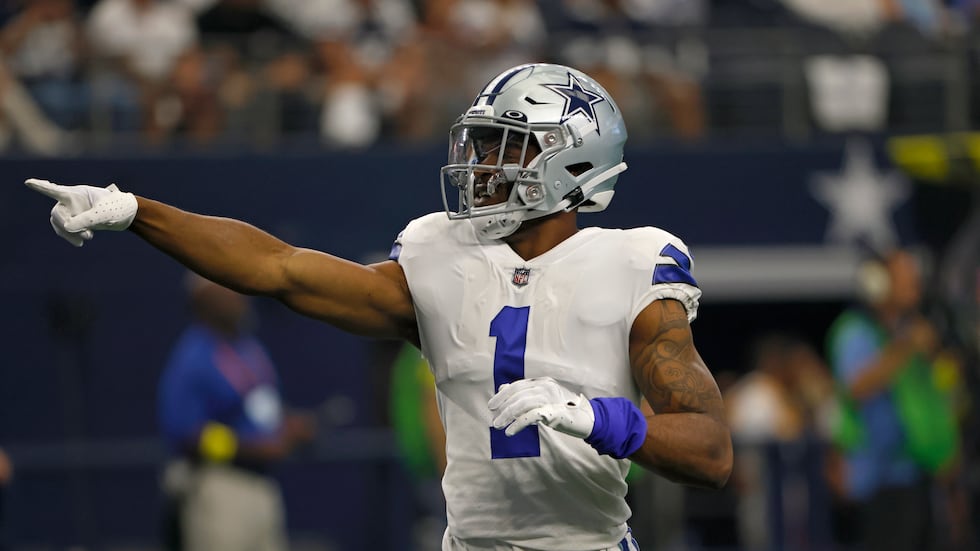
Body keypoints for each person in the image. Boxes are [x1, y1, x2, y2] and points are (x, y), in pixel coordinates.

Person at [25, 62, 733, 550]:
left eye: (502, 147)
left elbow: (711, 448)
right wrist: (133, 210)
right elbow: (278, 268)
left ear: (571, 162)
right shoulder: (438, 253)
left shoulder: (632, 264)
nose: (479, 164)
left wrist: (597, 415)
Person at [157, 272, 316, 551]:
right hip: (219, 486)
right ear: (203, 298)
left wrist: (287, 424)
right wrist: (250, 447)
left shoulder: (250, 349)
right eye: (227, 289)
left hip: (263, 486)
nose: (239, 295)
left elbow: (260, 407)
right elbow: (190, 435)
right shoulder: (192, 356)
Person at [825, 248, 962, 551]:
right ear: (879, 283)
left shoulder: (912, 332)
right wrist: (905, 348)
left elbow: (933, 397)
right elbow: (857, 387)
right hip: (877, 482)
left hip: (919, 472)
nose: (915, 283)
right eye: (905, 277)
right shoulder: (854, 332)